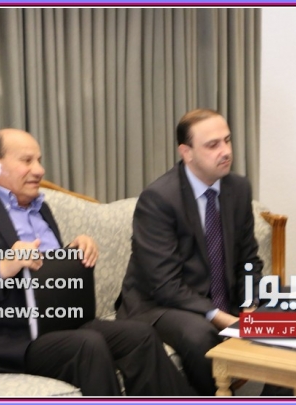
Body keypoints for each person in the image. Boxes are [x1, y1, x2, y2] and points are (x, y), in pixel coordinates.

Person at [0, 128, 195, 396]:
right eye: (27, 160)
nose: (39, 170)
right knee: (87, 345)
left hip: (59, 323)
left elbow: (41, 271)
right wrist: (2, 268)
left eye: (39, 160)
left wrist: (71, 254)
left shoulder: (40, 207)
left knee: (139, 336)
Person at [116, 109, 264, 395]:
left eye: (227, 140)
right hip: (160, 305)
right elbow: (165, 285)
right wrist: (227, 319)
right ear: (187, 152)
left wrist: (251, 304)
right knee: (199, 335)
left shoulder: (238, 188)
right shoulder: (159, 199)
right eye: (213, 145)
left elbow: (248, 260)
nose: (225, 151)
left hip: (224, 298)